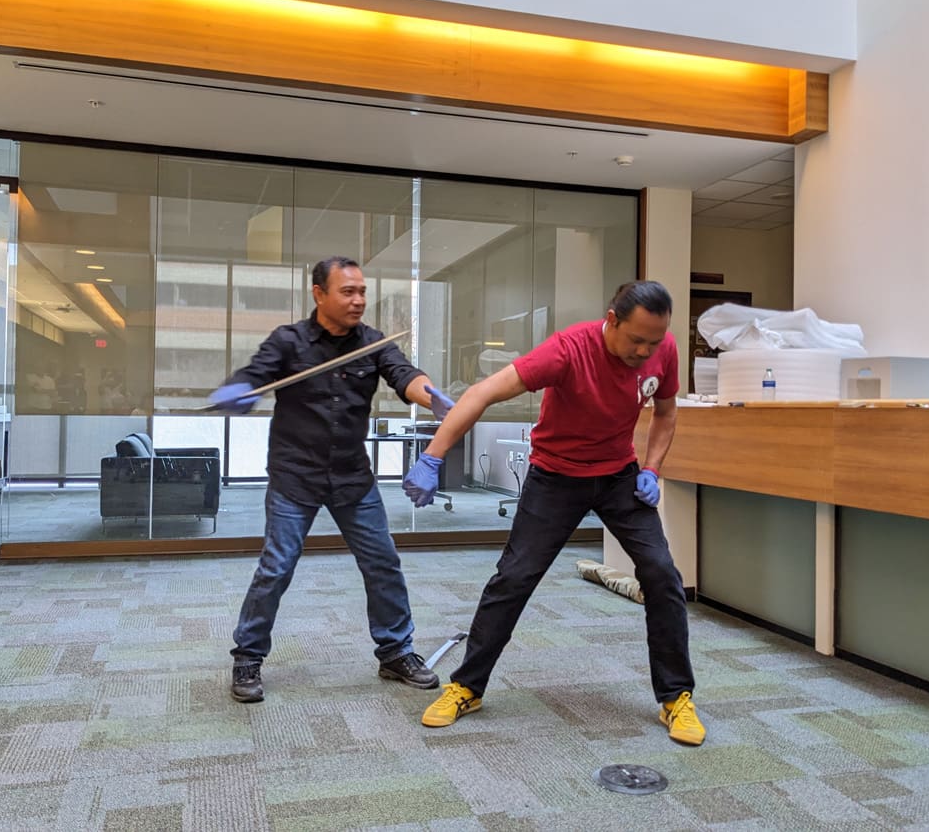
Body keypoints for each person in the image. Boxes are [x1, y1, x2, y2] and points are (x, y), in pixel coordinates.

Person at [402, 280, 705, 746]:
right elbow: (481, 393)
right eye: (635, 340)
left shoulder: (660, 351)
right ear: (611, 320)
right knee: (515, 577)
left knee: (662, 573)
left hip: (619, 476)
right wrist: (433, 457)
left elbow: (665, 413)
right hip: (556, 477)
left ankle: (676, 697)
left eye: (654, 341)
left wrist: (652, 468)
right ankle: (466, 687)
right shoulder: (567, 350)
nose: (645, 351)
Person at [210, 256, 456, 703]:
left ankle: (395, 652)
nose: (359, 300)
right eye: (348, 292)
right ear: (319, 293)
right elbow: (256, 374)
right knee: (277, 567)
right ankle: (248, 655)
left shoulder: (374, 343)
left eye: (362, 291)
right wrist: (239, 391)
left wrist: (431, 394)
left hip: (351, 477)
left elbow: (404, 375)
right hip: (295, 477)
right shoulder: (289, 342)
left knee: (382, 563)